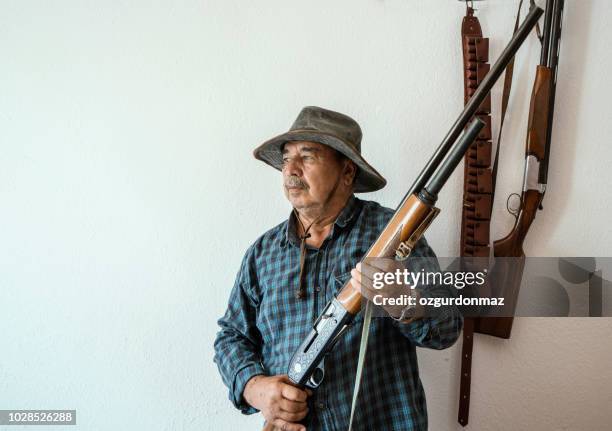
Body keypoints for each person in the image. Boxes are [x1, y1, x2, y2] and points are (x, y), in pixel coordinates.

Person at [214, 106, 463, 431]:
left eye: (308, 156)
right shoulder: (261, 254)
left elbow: (447, 329)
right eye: (286, 157)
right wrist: (256, 388)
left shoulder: (392, 233)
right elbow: (231, 337)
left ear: (347, 173)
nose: (291, 169)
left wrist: (404, 300)